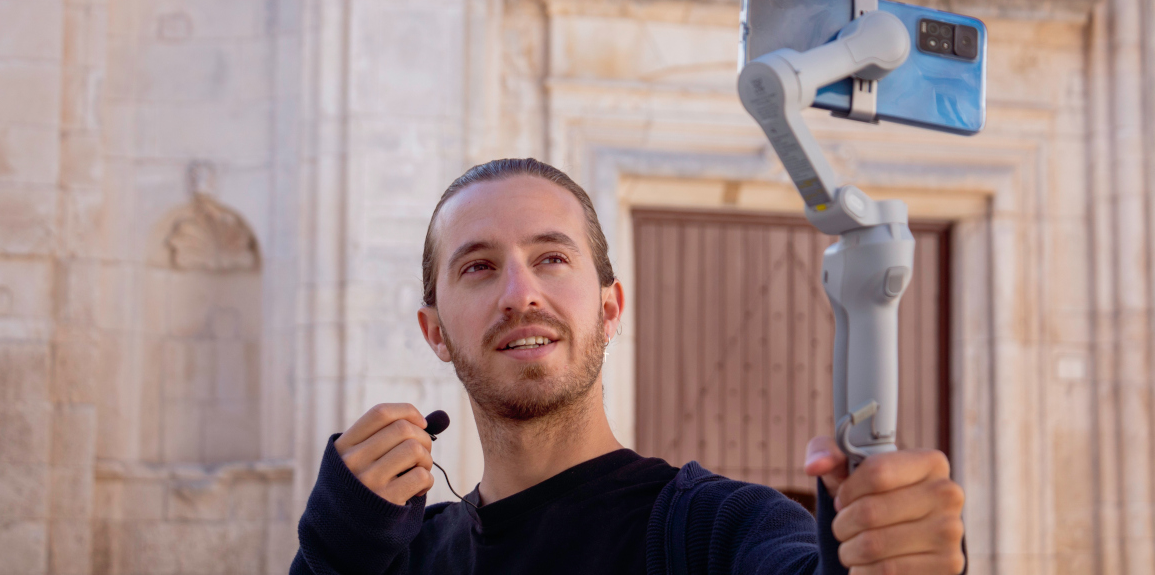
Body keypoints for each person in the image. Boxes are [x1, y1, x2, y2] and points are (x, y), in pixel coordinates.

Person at [291, 159, 966, 575]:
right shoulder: (403, 558)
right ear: (434, 331)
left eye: (552, 258)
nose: (520, 292)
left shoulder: (716, 531)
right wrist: (332, 551)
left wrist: (885, 558)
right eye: (478, 267)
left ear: (611, 308)